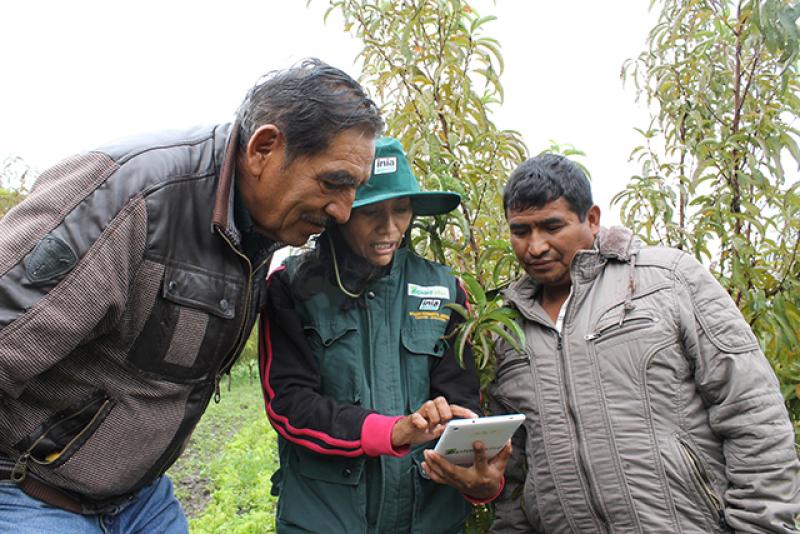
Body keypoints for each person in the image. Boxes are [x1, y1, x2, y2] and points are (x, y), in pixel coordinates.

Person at [0, 58, 383, 533]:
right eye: (334, 182)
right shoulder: (131, 200)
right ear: (264, 148)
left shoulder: (259, 228)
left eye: (356, 189)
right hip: (28, 494)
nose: (344, 211)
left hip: (139, 498)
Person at [488, 153, 800, 533]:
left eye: (552, 226)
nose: (535, 247)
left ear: (592, 218)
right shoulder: (506, 327)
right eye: (520, 231)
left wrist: (759, 526)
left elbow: (752, 409)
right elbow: (513, 468)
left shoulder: (667, 280)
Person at [259, 137, 509, 534]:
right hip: (325, 519)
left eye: (402, 209)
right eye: (371, 212)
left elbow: (461, 403)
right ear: (340, 212)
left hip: (430, 519)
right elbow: (290, 405)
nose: (390, 228)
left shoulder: (445, 290)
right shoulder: (293, 288)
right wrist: (391, 431)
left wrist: (475, 473)